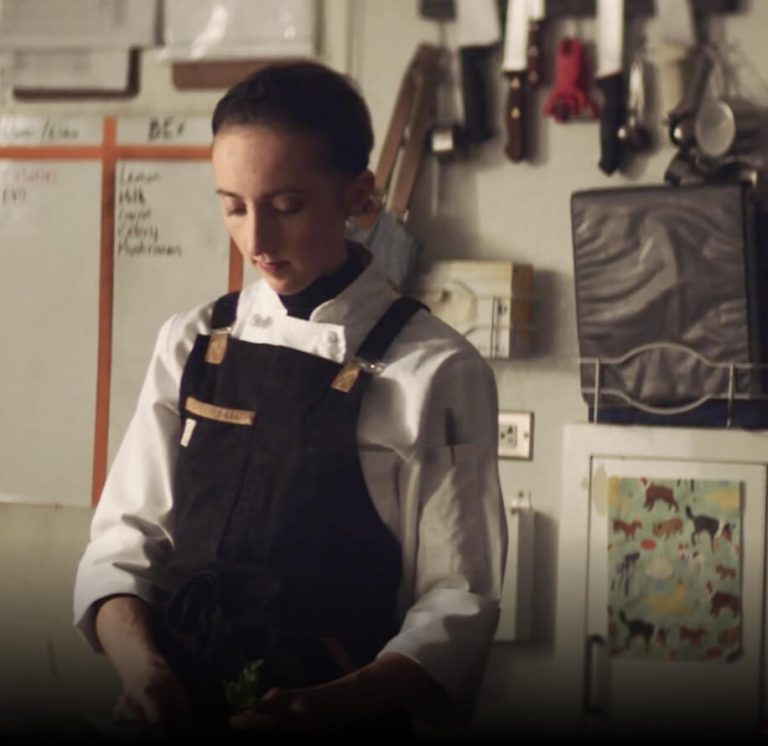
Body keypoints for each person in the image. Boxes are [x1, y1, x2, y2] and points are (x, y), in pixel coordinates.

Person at [73, 60, 506, 739]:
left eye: (285, 207)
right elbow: (125, 542)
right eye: (233, 207)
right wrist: (145, 675)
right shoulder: (192, 341)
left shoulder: (436, 370)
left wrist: (327, 707)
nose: (256, 242)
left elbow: (457, 604)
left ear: (359, 197)